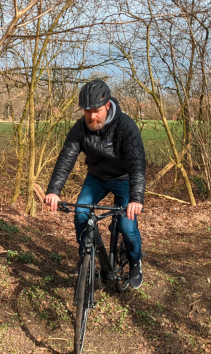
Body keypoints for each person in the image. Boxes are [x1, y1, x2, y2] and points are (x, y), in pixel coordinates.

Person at [44, 79, 146, 289]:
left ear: (107, 106)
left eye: (96, 111)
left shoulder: (126, 126)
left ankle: (135, 263)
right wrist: (54, 190)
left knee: (127, 226)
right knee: (81, 212)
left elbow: (137, 164)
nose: (91, 116)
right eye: (87, 111)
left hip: (124, 179)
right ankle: (85, 257)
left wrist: (136, 198)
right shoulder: (80, 128)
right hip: (96, 178)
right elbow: (66, 158)